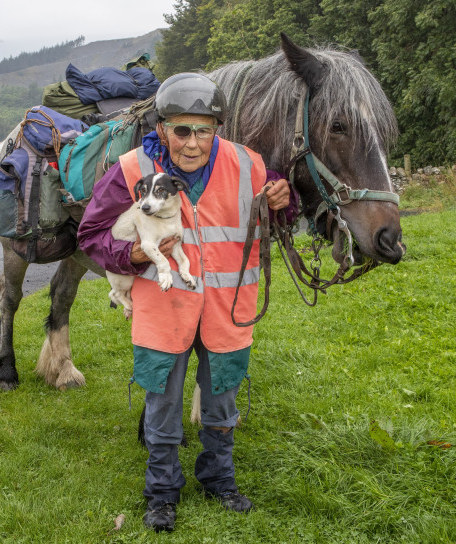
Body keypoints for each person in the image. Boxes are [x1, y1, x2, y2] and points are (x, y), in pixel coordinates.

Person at [77, 72, 297, 532]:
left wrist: (284, 199)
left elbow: (284, 215)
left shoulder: (250, 165)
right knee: (161, 408)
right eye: (181, 130)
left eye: (204, 130)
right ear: (162, 129)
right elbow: (92, 236)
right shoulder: (131, 171)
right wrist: (132, 254)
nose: (193, 143)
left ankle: (219, 480)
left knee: (221, 405)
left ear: (217, 127)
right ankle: (162, 492)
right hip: (165, 310)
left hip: (228, 309)